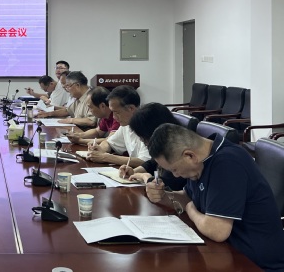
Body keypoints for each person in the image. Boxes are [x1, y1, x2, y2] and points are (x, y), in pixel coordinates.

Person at [147, 123, 284, 271]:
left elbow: (217, 231)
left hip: (258, 266)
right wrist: (163, 196)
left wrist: (190, 209)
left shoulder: (228, 163)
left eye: (174, 169)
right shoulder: (201, 161)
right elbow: (188, 197)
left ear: (189, 156)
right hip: (227, 254)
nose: (175, 175)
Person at [118, 102, 187, 191]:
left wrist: (144, 177)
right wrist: (134, 171)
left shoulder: (177, 149)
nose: (142, 141)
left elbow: (166, 185)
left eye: (143, 137)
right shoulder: (165, 142)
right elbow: (153, 162)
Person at [87, 85, 150, 167]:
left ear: (131, 108)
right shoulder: (125, 125)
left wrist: (106, 157)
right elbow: (109, 142)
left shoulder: (148, 126)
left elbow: (145, 161)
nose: (113, 117)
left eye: (117, 112)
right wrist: (101, 149)